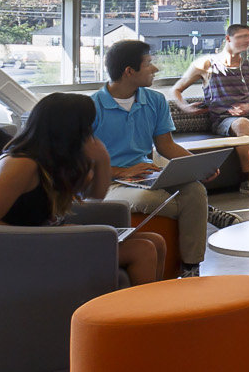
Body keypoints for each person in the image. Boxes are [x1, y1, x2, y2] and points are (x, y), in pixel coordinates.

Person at [0, 92, 168, 285]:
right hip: (16, 251)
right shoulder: (19, 165)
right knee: (142, 250)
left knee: (155, 240)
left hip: (42, 241)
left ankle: (154, 312)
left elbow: (96, 195)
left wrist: (102, 159)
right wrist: (50, 233)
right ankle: (140, 315)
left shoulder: (50, 159)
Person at [92, 38, 223, 274]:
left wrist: (196, 165)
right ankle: (208, 214)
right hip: (106, 182)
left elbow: (166, 146)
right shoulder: (92, 107)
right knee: (152, 201)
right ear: (129, 71)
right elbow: (80, 162)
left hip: (146, 175)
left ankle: (191, 266)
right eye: (149, 63)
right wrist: (121, 172)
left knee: (196, 191)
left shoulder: (155, 100)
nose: (156, 69)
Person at [172, 23, 249, 137]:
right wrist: (185, 107)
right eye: (241, 36)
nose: (247, 41)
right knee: (242, 123)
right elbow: (176, 90)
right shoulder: (205, 65)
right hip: (226, 119)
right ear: (228, 38)